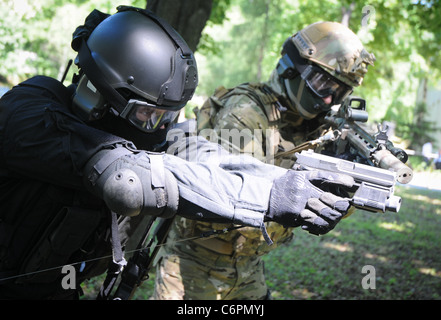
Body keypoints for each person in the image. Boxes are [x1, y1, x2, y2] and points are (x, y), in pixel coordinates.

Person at [0, 7, 354, 299]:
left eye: (167, 115)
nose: (159, 126)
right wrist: (264, 196)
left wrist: (285, 183)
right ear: (101, 96)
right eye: (149, 114)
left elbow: (194, 149)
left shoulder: (128, 127)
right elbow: (128, 179)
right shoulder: (28, 114)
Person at [154, 21, 375, 300]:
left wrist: (345, 184)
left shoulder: (307, 124)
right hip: (195, 265)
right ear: (293, 69)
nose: (330, 98)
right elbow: (224, 205)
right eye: (323, 84)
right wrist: (299, 204)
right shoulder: (246, 111)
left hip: (247, 266)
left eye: (340, 91)